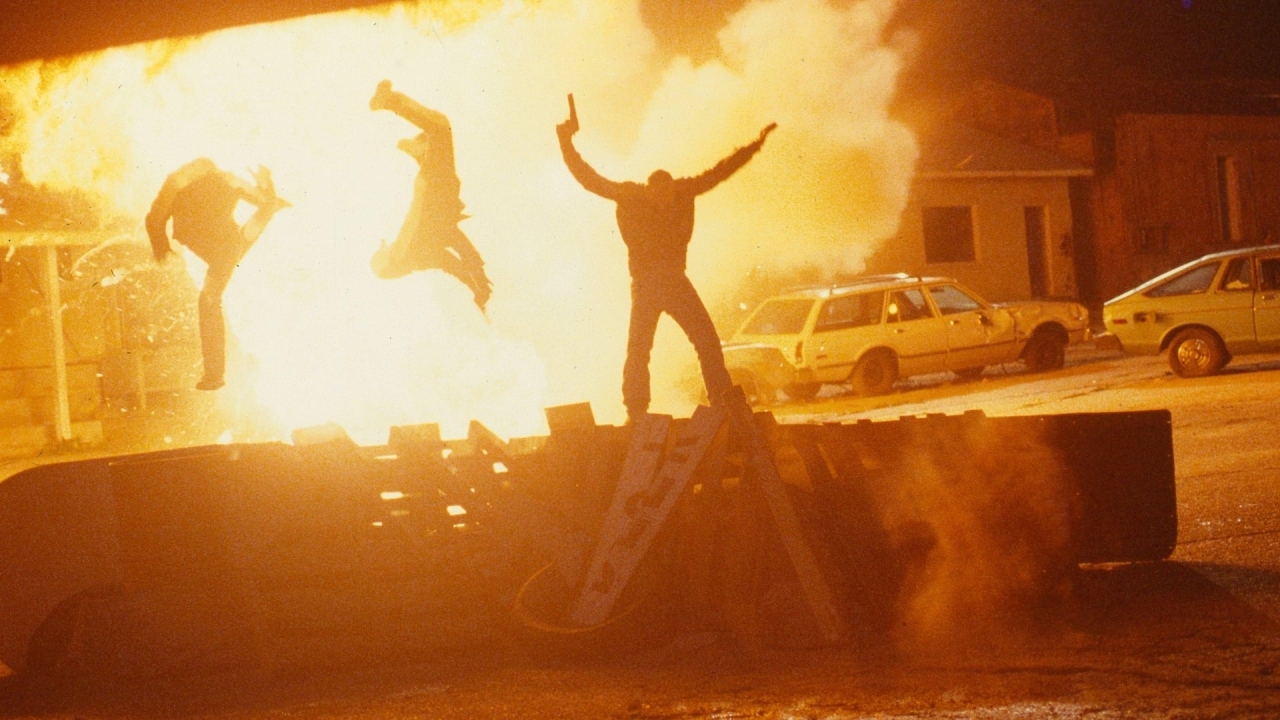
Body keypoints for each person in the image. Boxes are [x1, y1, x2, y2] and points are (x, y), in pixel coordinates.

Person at [556, 93, 776, 422]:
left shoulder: (683, 191)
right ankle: (636, 411)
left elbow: (720, 172)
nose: (665, 203)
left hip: (674, 280)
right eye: (659, 197)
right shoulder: (631, 196)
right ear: (650, 191)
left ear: (673, 189)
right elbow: (589, 179)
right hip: (646, 283)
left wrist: (754, 146)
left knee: (707, 341)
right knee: (640, 349)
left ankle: (720, 402)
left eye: (669, 198)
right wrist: (565, 141)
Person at [145, 158, 289, 391]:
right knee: (211, 297)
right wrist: (266, 187)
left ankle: (215, 375)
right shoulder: (217, 181)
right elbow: (154, 220)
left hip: (226, 248)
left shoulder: (186, 184)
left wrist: (161, 248)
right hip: (230, 244)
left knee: (209, 301)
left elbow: (153, 219)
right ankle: (215, 375)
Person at [368, 80, 492, 311]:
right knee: (439, 128)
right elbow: (456, 258)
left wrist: (479, 287)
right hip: (437, 192)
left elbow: (457, 258)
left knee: (439, 128)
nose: (391, 245)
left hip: (437, 192)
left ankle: (418, 145)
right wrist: (479, 287)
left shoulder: (414, 254)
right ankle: (419, 148)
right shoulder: (414, 254)